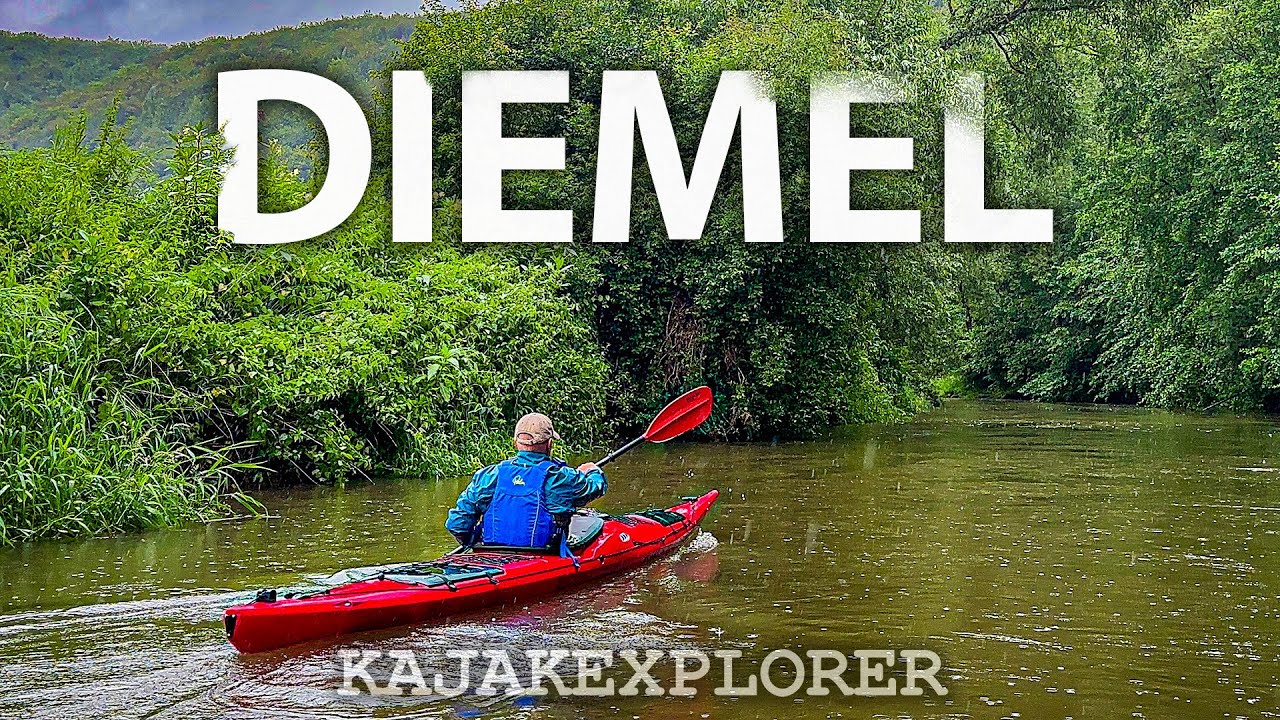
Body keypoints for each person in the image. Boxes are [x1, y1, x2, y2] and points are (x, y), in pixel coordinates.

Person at [445, 412, 607, 551]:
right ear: (549, 444)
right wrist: (592, 471)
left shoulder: (489, 475)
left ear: (515, 442)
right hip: (544, 556)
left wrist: (474, 543)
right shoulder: (562, 478)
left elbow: (457, 525)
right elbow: (597, 487)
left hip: (492, 555)